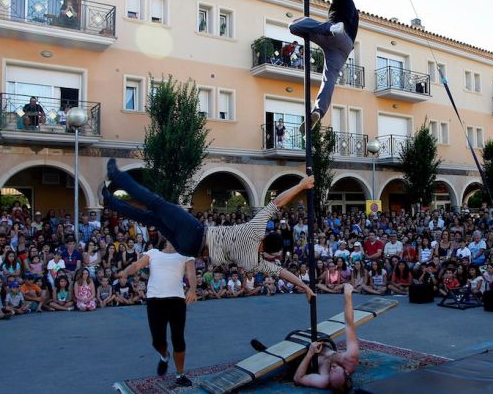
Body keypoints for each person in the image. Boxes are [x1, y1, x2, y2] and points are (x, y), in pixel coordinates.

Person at [102, 158, 316, 301]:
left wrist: (301, 185)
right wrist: (305, 287)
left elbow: (277, 202)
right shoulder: (254, 262)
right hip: (189, 248)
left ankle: (117, 176)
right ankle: (112, 203)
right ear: (270, 252)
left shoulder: (255, 229)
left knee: (155, 203)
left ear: (267, 235)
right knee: (153, 219)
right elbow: (283, 273)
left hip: (196, 233)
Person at [117, 237, 197, 387]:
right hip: (154, 301)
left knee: (178, 339)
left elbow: (191, 275)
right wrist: (126, 272)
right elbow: (136, 265)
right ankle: (164, 355)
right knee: (157, 341)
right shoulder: (153, 253)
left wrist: (192, 289)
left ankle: (180, 375)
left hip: (177, 301)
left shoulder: (186, 254)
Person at [289, 0, 357, 132]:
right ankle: (318, 111)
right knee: (329, 79)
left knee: (294, 26)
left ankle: (330, 28)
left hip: (337, 34)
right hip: (343, 49)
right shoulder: (352, 10)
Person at [294, 283, 359, 390]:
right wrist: (347, 295)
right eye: (335, 368)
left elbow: (298, 378)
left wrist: (310, 353)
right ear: (346, 372)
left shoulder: (324, 381)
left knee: (289, 359)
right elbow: (349, 322)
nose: (332, 368)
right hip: (322, 345)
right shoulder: (351, 358)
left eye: (330, 372)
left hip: (302, 357)